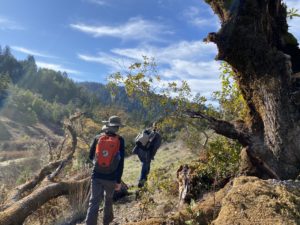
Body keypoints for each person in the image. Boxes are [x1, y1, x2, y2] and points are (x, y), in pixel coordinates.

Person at [85, 116, 125, 225]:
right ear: (117, 127)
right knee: (108, 201)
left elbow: (90, 156)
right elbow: (121, 163)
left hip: (96, 175)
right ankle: (107, 223)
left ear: (107, 125)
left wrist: (100, 162)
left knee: (94, 202)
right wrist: (118, 181)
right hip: (111, 177)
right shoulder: (120, 140)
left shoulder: (98, 137)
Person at [133, 122, 162, 188]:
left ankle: (144, 181)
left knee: (146, 165)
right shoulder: (158, 136)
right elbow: (155, 147)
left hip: (139, 150)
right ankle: (142, 182)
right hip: (146, 152)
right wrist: (152, 156)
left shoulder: (147, 130)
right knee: (145, 167)